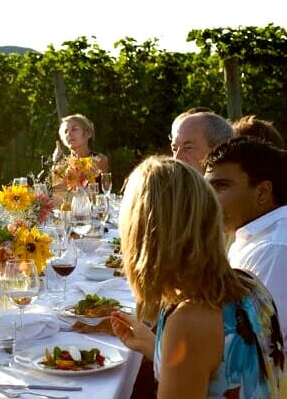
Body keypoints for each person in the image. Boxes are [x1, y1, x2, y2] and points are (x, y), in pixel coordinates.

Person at [110, 156, 284, 398]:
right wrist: (152, 345)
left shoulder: (190, 320)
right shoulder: (248, 282)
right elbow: (216, 367)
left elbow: (198, 343)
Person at [205, 137, 287, 346]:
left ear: (262, 192)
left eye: (221, 186)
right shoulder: (253, 234)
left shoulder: (273, 248)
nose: (208, 198)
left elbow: (254, 346)